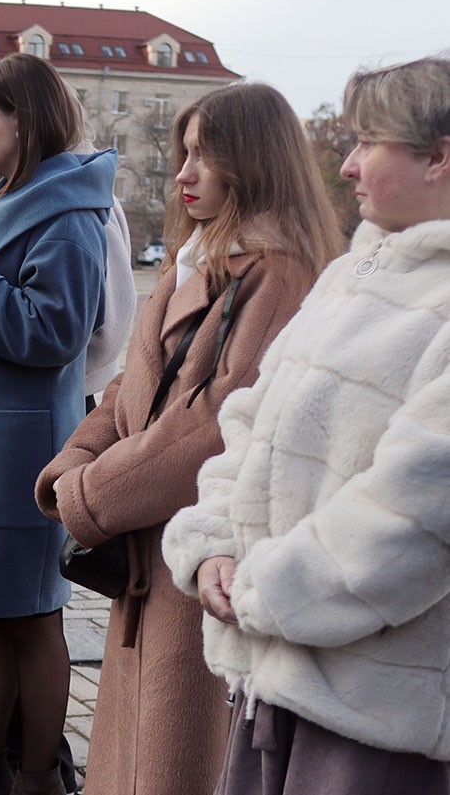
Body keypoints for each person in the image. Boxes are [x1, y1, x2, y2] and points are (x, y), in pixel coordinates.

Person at [34, 83, 341, 795]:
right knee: (139, 751)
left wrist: (88, 492)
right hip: (152, 547)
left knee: (176, 759)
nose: (182, 173)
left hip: (201, 555)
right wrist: (76, 455)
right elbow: (132, 387)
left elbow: (213, 425)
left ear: (254, 160)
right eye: (184, 152)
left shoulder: (278, 271)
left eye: (205, 153)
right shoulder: (195, 258)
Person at [160, 57, 450, 795]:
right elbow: (250, 421)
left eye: (368, 141)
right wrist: (212, 546)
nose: (347, 164)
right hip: (275, 679)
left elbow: (415, 514)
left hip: (374, 712)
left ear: (439, 157)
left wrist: (261, 592)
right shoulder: (352, 275)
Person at [0, 54, 114, 795]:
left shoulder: (66, 213)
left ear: (24, 119)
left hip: (25, 452)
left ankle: (40, 774)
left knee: (34, 617)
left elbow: (58, 331)